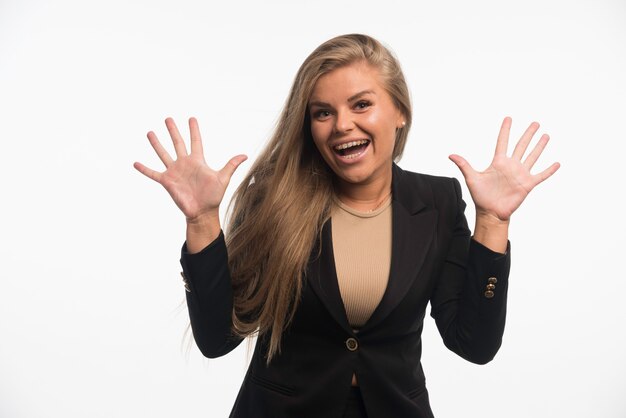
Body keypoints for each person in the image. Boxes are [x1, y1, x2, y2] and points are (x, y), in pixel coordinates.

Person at [134, 34, 559, 418]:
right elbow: (217, 338)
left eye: (361, 104)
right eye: (323, 112)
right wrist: (202, 220)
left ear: (399, 113)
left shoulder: (438, 203)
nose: (342, 125)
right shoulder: (275, 200)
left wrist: (493, 221)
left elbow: (474, 343)